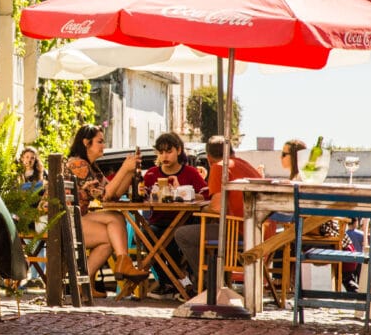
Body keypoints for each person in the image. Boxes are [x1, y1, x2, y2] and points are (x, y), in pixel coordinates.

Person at [64, 124, 149, 298]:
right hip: (61, 220)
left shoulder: (92, 167)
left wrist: (129, 173)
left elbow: (114, 194)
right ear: (86, 142)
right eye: (100, 142)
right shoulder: (77, 164)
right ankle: (122, 264)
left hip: (76, 217)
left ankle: (84, 283)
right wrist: (124, 169)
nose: (104, 146)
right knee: (114, 222)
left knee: (113, 232)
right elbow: (105, 195)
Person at [175, 135, 262, 285]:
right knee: (209, 230)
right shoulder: (247, 166)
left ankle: (208, 285)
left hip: (240, 231)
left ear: (209, 158)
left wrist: (202, 210)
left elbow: (216, 208)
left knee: (182, 234)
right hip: (260, 233)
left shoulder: (220, 167)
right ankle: (215, 282)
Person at [141, 132, 208, 298]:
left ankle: (172, 283)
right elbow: (144, 198)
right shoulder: (151, 174)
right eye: (161, 152)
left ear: (178, 150)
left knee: (171, 240)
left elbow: (206, 195)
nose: (164, 156)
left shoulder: (191, 173)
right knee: (147, 237)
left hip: (184, 222)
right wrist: (141, 192)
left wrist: (184, 192)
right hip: (158, 221)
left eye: (168, 151)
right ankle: (169, 282)